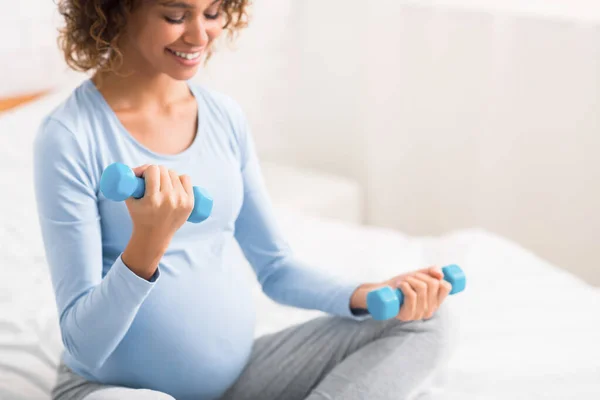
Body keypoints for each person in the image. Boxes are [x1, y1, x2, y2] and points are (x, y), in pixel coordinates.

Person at [33, 1, 453, 399]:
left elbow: (275, 269)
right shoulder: (70, 136)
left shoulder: (223, 117)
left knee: (423, 322)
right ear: (116, 10)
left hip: (237, 382)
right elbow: (83, 345)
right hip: (109, 389)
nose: (200, 34)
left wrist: (366, 292)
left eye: (213, 12)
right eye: (177, 15)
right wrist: (148, 243)